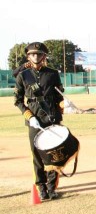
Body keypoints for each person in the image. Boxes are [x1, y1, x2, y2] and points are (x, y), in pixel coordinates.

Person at [14, 42, 65, 201]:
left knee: (54, 154)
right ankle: (41, 186)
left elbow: (59, 95)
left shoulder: (52, 73)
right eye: (33, 54)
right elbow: (18, 101)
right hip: (34, 119)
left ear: (44, 56)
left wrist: (62, 106)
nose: (36, 57)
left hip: (52, 118)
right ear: (28, 56)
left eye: (39, 54)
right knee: (37, 155)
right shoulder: (23, 75)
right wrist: (30, 116)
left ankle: (52, 187)